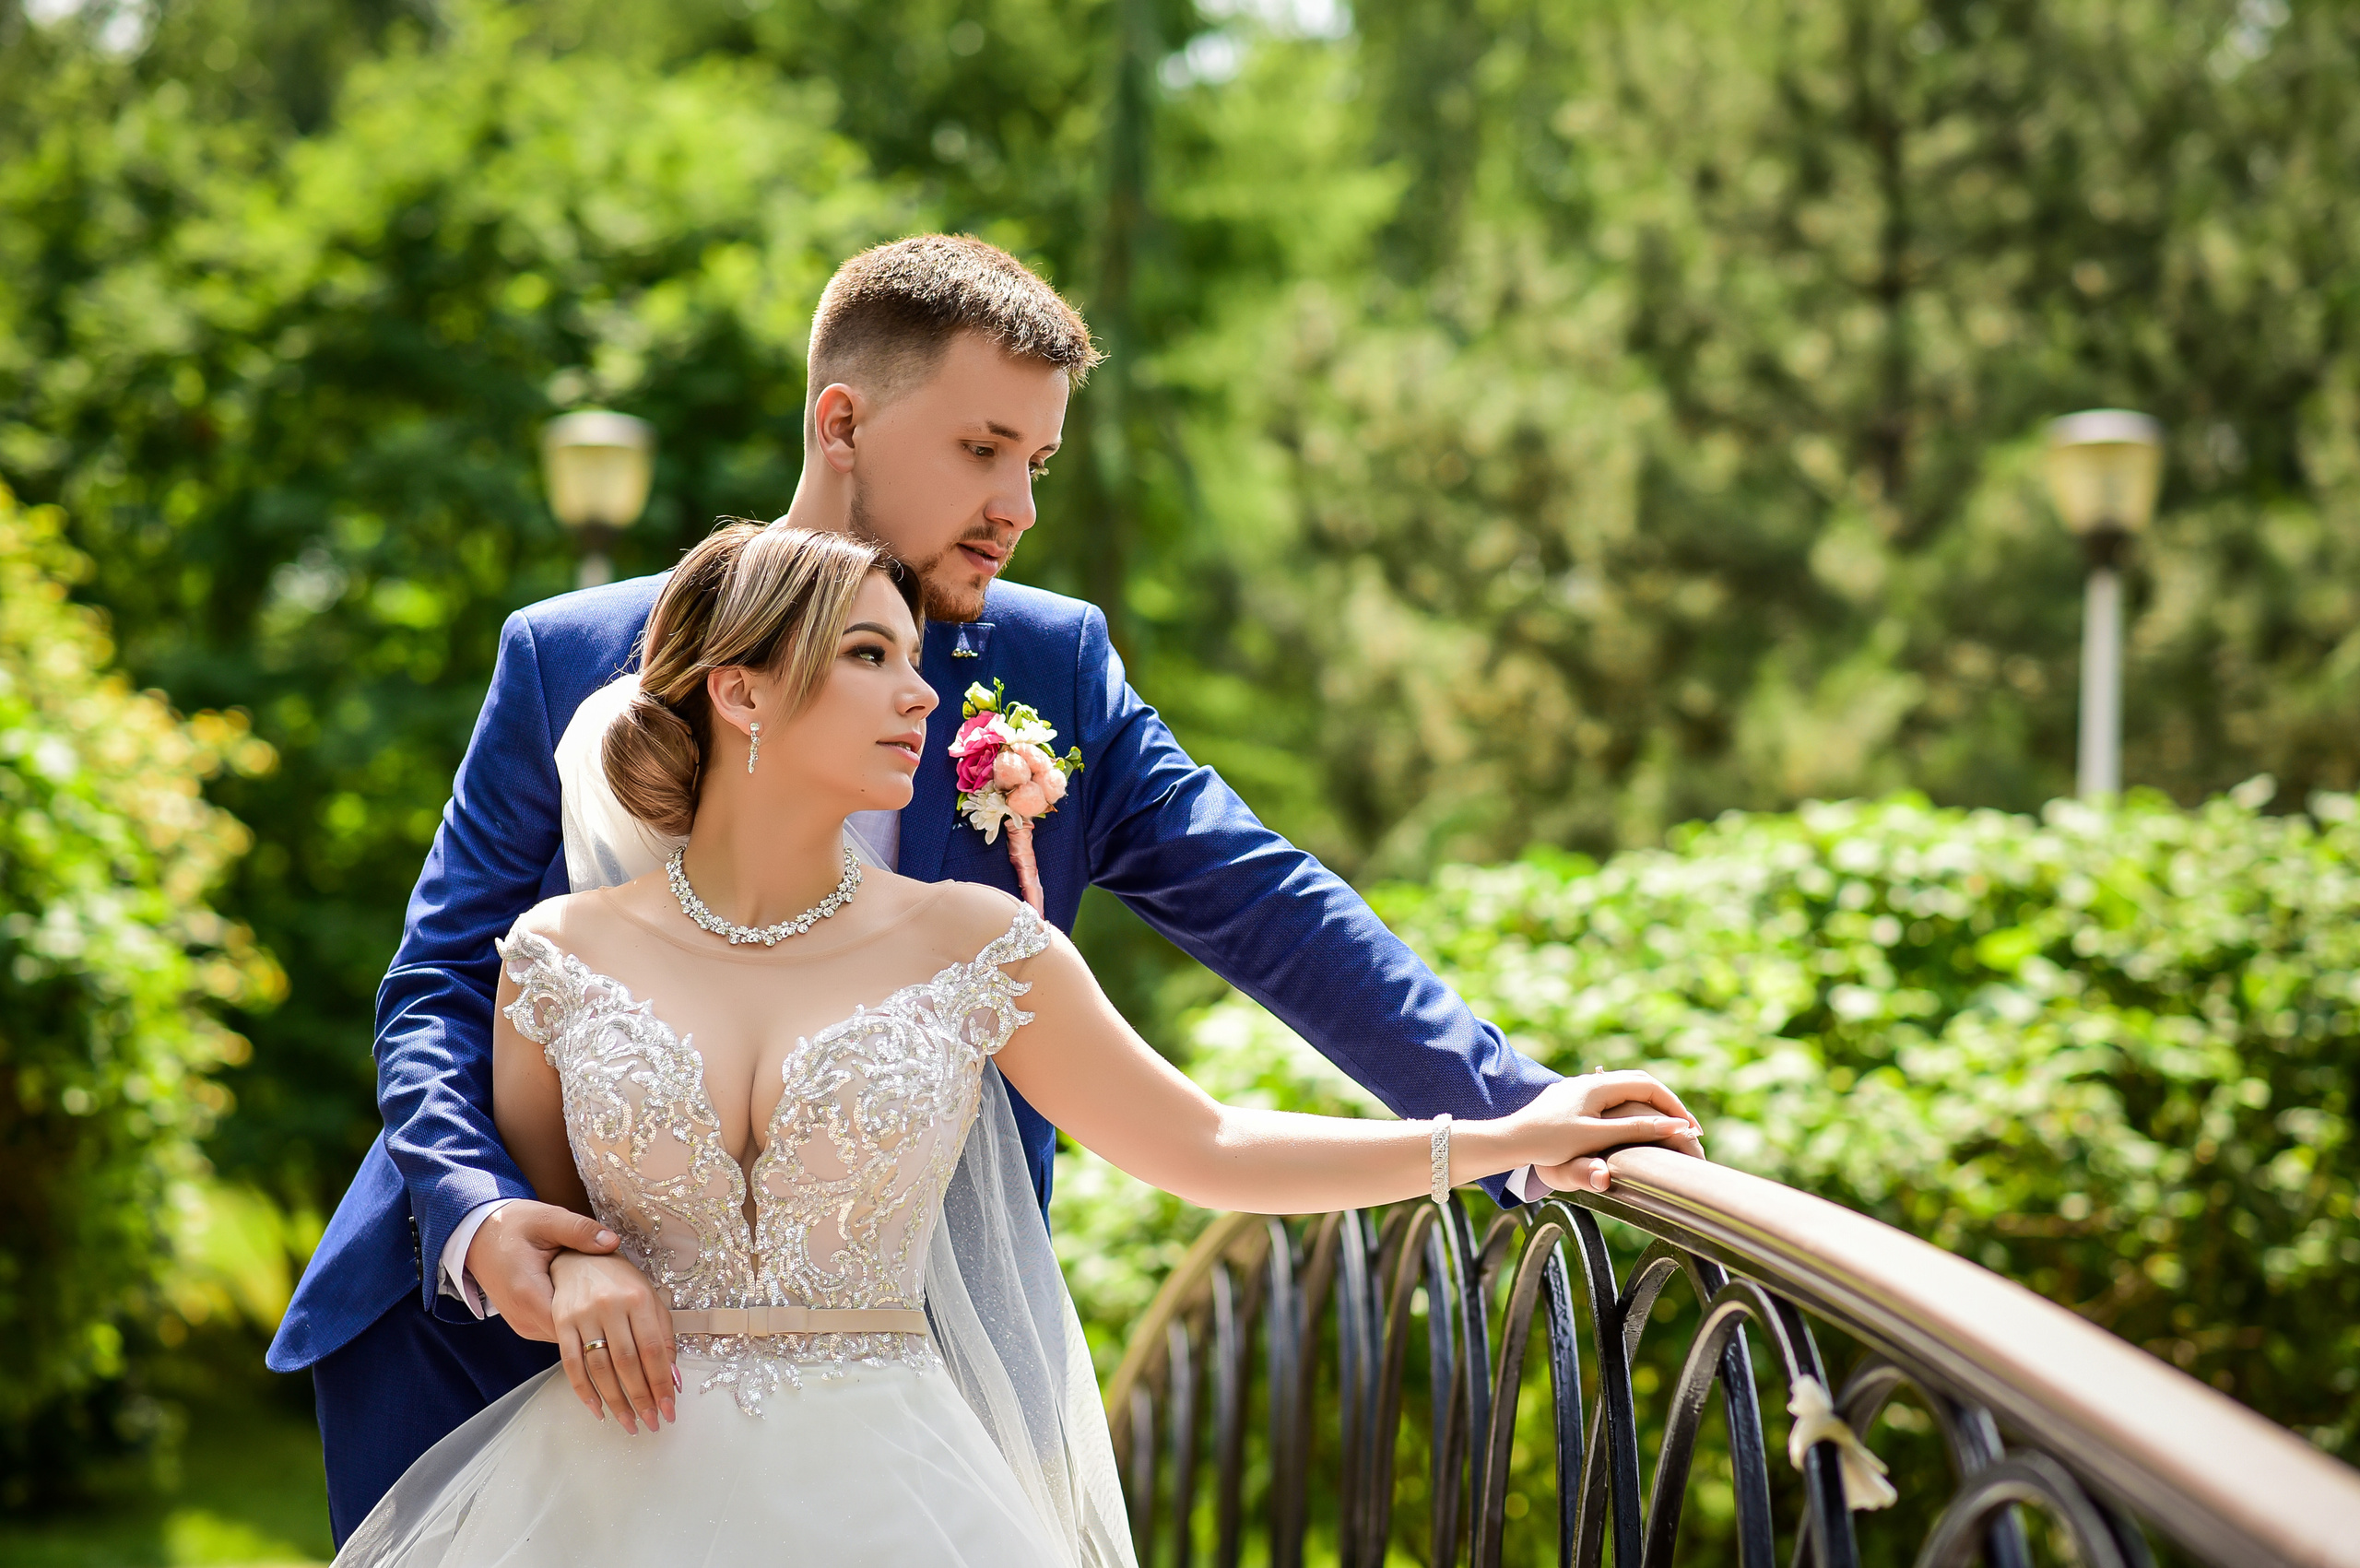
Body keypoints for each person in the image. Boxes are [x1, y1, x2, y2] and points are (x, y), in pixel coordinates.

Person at [266, 233, 1655, 1541]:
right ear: (841, 424)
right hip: (491, 1342)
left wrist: (1513, 1115)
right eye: (983, 449)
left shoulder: (1050, 666)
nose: (1018, 509)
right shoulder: (569, 655)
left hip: (888, 1382)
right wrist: (485, 1220)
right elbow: (442, 983)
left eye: (1037, 462)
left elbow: (1265, 903)